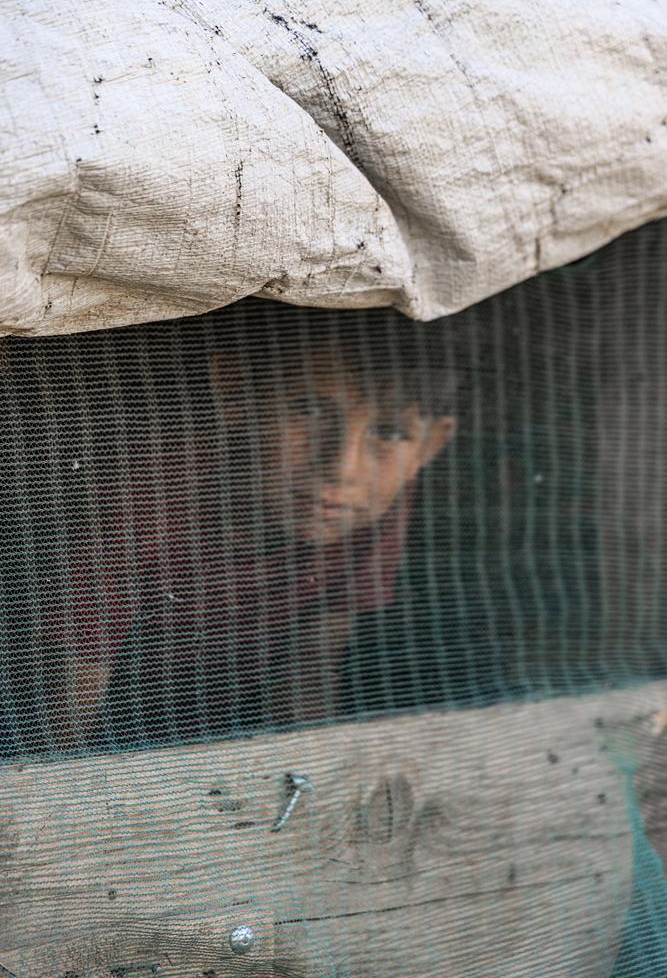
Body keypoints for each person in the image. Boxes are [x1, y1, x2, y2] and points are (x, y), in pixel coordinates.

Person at [41, 303, 458, 751]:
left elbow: (311, 670)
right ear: (236, 390)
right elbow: (62, 726)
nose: (342, 468)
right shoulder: (149, 493)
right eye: (310, 411)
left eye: (391, 434)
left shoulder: (370, 503)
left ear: (429, 447)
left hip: (228, 750)